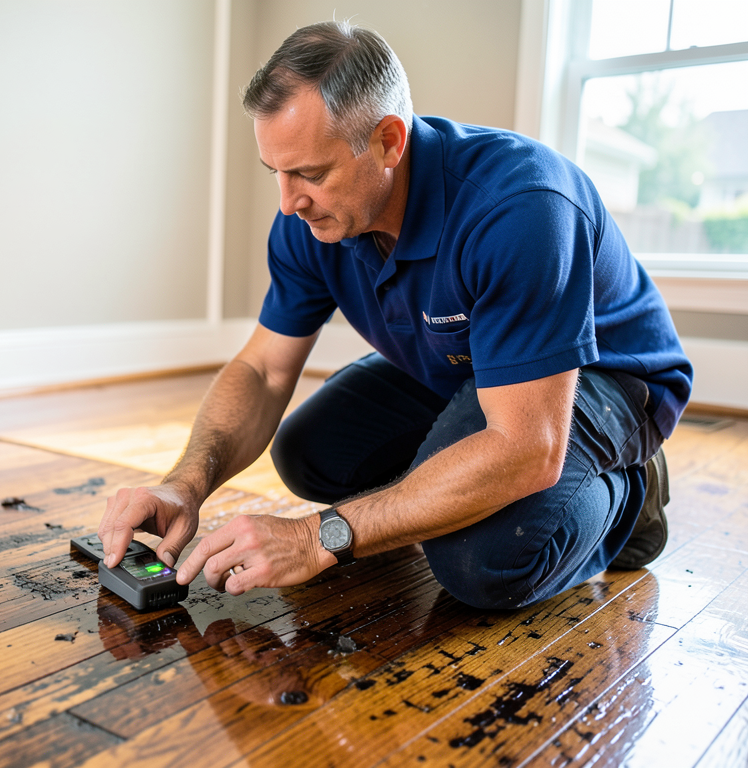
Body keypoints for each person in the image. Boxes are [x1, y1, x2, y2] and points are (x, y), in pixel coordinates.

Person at [98, 20, 692, 610]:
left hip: (605, 379)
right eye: (276, 172)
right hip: (464, 366)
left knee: (481, 562)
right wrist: (184, 484)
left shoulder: (519, 208)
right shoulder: (313, 219)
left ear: (389, 140)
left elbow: (527, 445)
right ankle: (454, 465)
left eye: (310, 173)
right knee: (308, 454)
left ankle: (628, 494)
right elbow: (264, 370)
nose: (288, 202)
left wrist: (321, 535)